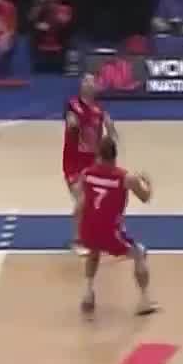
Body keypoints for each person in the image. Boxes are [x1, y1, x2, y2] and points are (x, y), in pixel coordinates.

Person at [75, 138, 157, 316]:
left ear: (98, 155)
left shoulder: (86, 174)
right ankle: (144, 300)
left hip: (88, 229)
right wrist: (148, 184)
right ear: (115, 155)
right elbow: (145, 198)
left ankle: (88, 294)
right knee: (139, 253)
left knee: (94, 252)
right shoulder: (126, 178)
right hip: (110, 233)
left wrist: (78, 234)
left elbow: (78, 207)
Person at [63, 74, 113, 251]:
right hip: (73, 163)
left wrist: (110, 136)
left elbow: (109, 133)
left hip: (93, 163)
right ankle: (77, 240)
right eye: (85, 80)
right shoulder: (73, 105)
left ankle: (97, 234)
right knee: (82, 200)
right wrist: (72, 123)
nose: (89, 83)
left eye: (92, 81)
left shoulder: (100, 111)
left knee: (98, 202)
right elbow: (70, 119)